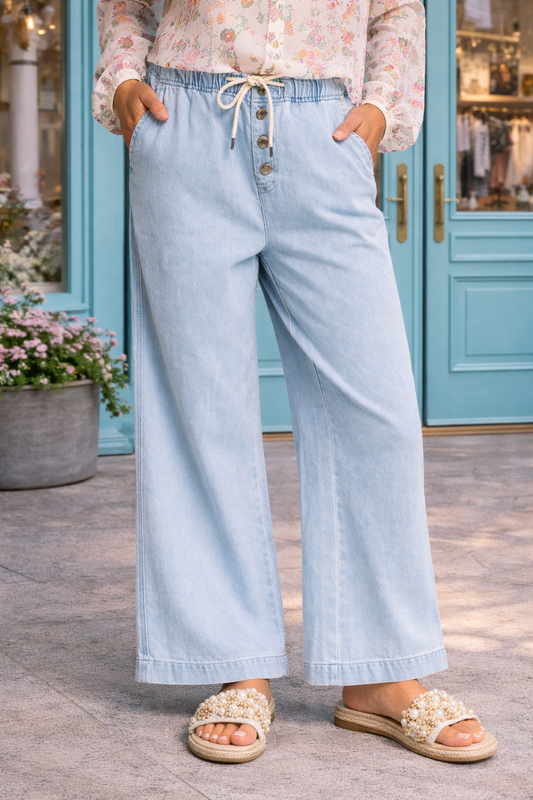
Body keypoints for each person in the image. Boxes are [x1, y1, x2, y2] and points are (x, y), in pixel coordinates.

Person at [93, 0, 496, 764]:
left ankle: (378, 672)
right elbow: (127, 5)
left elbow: (396, 9)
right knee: (201, 409)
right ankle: (234, 662)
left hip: (324, 129)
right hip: (184, 122)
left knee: (373, 410)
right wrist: (122, 84)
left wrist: (381, 108)